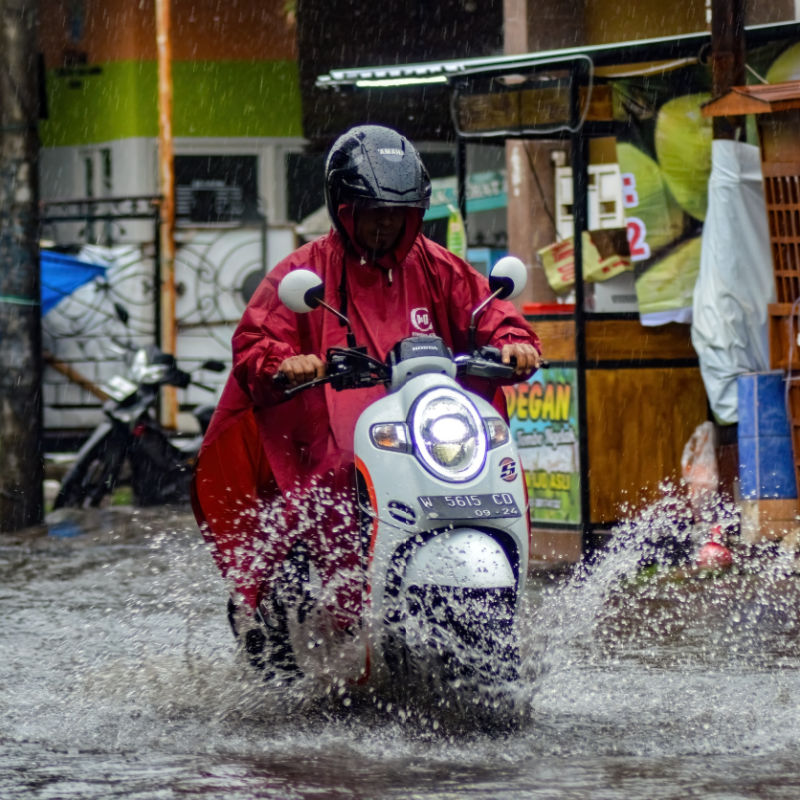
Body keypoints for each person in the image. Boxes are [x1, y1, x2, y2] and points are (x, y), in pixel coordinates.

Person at [191, 124, 543, 660]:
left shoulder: (437, 264)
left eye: (398, 213)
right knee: (321, 497)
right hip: (330, 441)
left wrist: (513, 341)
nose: (385, 223)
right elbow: (258, 340)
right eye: (373, 210)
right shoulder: (303, 272)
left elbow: (487, 310)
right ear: (343, 208)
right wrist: (286, 364)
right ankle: (320, 620)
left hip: (419, 434)